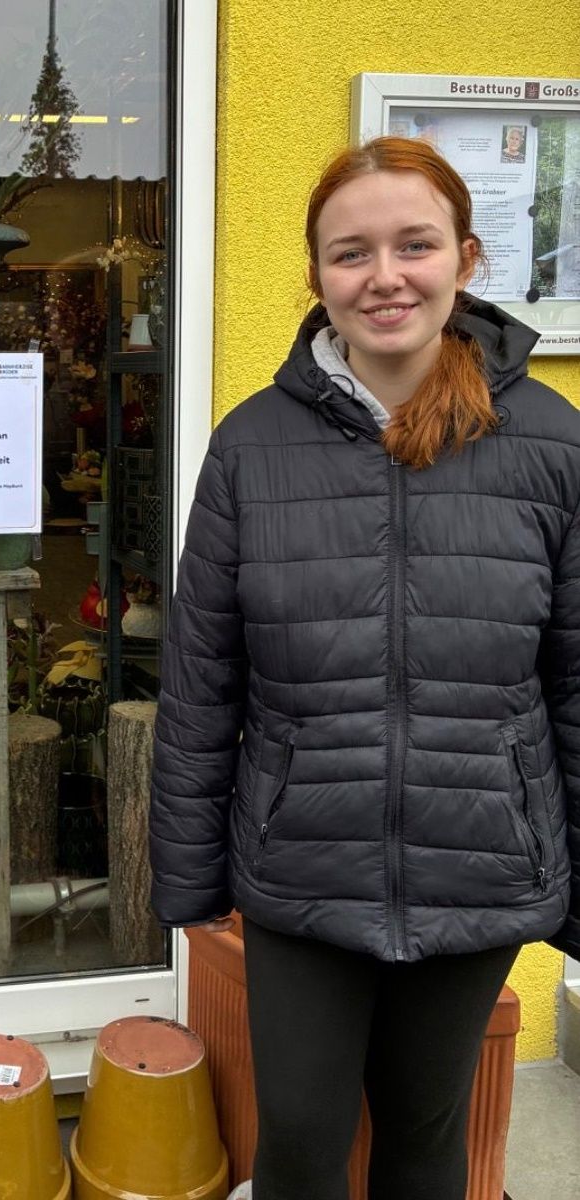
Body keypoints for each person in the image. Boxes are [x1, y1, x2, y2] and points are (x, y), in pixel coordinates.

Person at [150, 136, 579, 1200]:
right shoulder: (252, 446)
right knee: (298, 1142)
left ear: (466, 258)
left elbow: (575, 680)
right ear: (317, 276)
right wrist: (188, 876)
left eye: (414, 244)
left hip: (479, 855)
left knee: (429, 1142)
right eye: (351, 253)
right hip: (303, 867)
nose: (384, 276)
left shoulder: (549, 440)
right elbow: (203, 681)